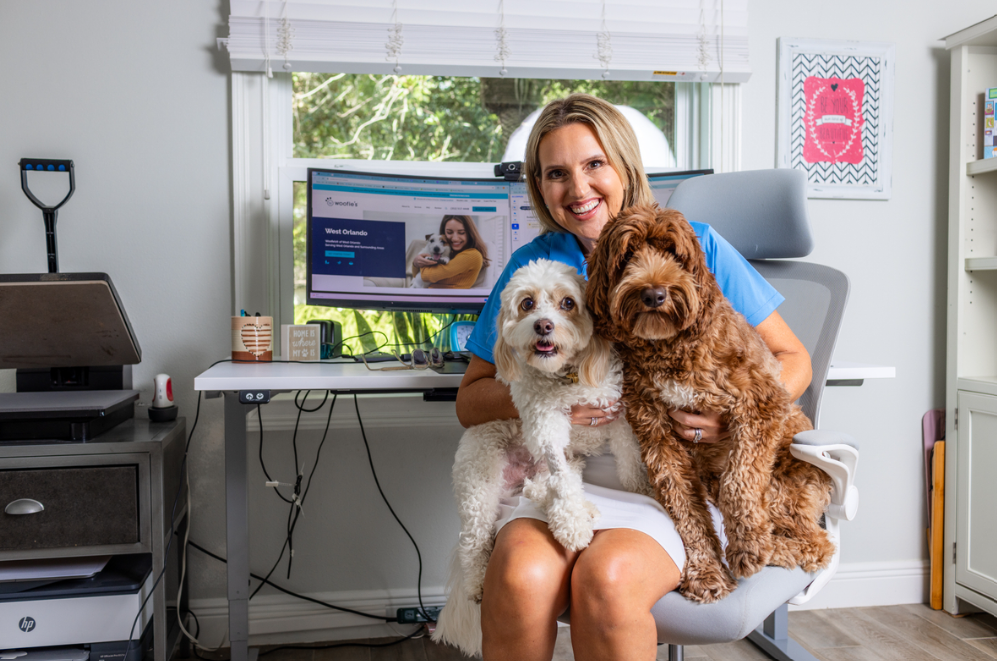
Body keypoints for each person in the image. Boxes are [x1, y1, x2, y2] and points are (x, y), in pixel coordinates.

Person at [455, 94, 813, 661]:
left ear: (624, 165)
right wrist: (546, 398)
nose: (578, 189)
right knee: (519, 576)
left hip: (676, 477)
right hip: (571, 472)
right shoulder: (536, 266)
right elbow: (470, 400)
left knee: (608, 579)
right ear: (538, 186)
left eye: (594, 164)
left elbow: (793, 359)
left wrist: (729, 418)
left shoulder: (697, 246)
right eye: (556, 173)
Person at [414, 215, 490, 289]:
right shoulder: (450, 253)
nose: (455, 238)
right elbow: (415, 276)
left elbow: (427, 276)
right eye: (449, 232)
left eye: (461, 232)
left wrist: (421, 263)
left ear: (470, 233)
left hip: (449, 300)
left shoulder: (472, 255)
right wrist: (415, 263)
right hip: (431, 296)